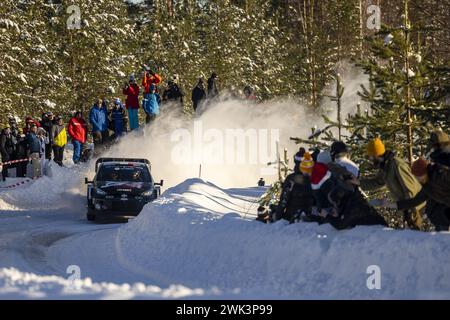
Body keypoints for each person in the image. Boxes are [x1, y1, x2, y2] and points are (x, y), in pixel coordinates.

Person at [360, 137, 424, 230]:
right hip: (407, 207)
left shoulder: (397, 164)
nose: (369, 158)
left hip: (416, 207)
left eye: (370, 156)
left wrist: (410, 210)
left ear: (375, 154)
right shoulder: (386, 166)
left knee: (416, 237)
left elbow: (410, 188)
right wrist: (358, 182)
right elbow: (377, 182)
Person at [381, 158, 450, 231]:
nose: (417, 179)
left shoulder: (441, 175)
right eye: (416, 177)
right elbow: (415, 201)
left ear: (424, 172)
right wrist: (392, 204)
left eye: (418, 176)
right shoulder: (427, 186)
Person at [274, 153, 314, 223]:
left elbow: (284, 199)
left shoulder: (291, 178)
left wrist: (278, 217)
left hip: (291, 216)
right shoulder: (313, 177)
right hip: (309, 217)